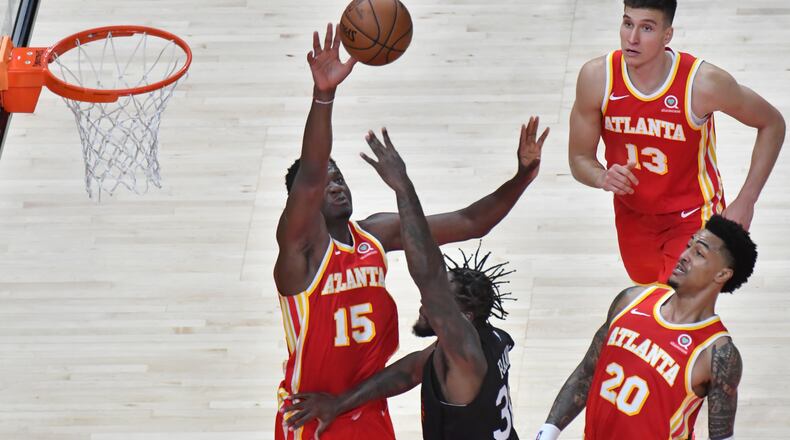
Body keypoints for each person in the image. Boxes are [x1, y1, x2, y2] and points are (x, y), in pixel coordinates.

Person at [274, 23, 549, 440]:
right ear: (300, 205)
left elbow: (473, 222)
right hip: (313, 413)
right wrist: (324, 96)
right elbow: (310, 175)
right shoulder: (298, 256)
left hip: (365, 406)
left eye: (341, 177)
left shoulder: (375, 234)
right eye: (325, 181)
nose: (335, 183)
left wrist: (523, 177)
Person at [568, 0, 783, 284]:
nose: (632, 38)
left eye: (646, 28)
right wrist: (602, 177)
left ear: (667, 35)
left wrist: (747, 200)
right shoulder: (597, 78)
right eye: (627, 23)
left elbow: (772, 123)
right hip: (633, 215)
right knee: (650, 306)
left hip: (694, 216)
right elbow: (579, 158)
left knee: (677, 308)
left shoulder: (703, 83)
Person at [535, 214, 757, 440]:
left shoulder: (717, 353)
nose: (684, 256)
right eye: (688, 246)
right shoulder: (631, 300)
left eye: (698, 253)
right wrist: (547, 433)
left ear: (722, 274)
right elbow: (587, 372)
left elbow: (721, 437)